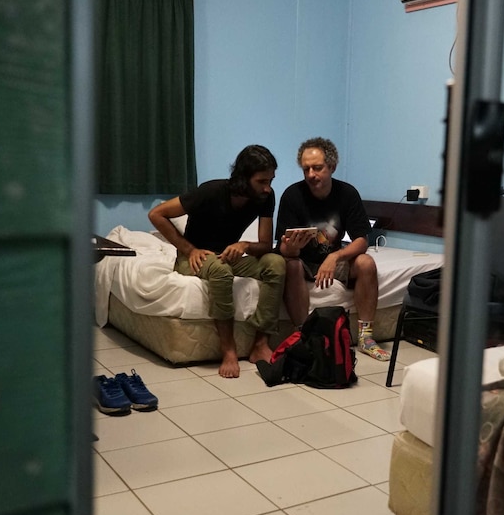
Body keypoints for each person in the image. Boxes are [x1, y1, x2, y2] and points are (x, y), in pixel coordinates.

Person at [148, 145, 286, 378]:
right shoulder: (211, 191)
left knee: (276, 263)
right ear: (244, 178)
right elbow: (157, 214)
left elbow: (264, 245)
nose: (267, 187)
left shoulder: (265, 197)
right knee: (221, 271)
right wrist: (189, 249)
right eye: (262, 181)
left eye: (270, 180)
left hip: (227, 255)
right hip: (193, 258)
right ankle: (229, 350)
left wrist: (244, 246)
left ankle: (260, 343)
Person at [275, 137, 388, 361]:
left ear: (332, 167)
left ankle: (366, 338)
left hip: (334, 259)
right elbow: (282, 247)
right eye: (306, 169)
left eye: (317, 168)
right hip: (302, 260)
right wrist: (292, 249)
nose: (310, 175)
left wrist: (334, 257)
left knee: (366, 262)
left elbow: (361, 241)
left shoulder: (347, 194)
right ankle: (301, 334)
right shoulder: (292, 195)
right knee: (292, 265)